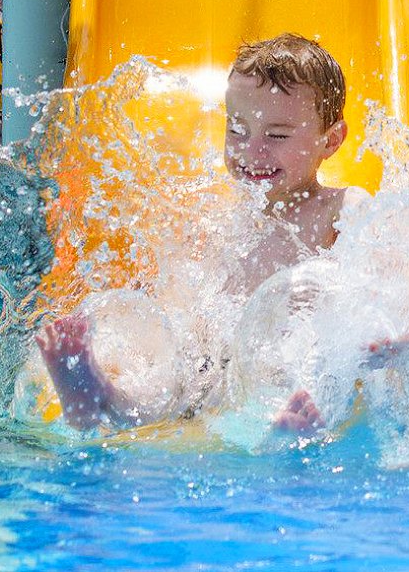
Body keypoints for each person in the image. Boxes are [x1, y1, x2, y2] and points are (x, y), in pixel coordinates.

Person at [35, 34, 354, 434]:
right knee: (170, 368)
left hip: (276, 369)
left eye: (277, 136)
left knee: (301, 359)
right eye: (237, 130)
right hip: (210, 367)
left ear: (331, 140)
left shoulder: (338, 208)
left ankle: (288, 424)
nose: (252, 151)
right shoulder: (218, 217)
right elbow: (182, 304)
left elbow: (376, 270)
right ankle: (105, 396)